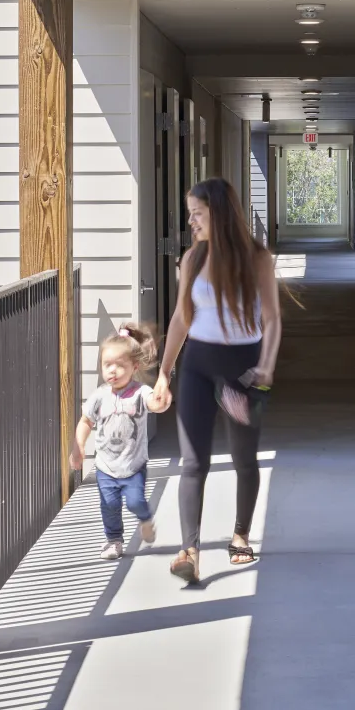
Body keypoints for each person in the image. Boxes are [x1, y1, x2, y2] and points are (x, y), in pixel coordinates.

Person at [154, 177, 282, 584]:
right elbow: (180, 319)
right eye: (190, 213)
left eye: (197, 213)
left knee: (245, 458)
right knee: (193, 461)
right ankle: (188, 549)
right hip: (197, 363)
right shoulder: (191, 260)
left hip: (245, 366)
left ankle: (241, 533)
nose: (191, 221)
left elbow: (273, 319)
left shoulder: (258, 259)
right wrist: (164, 373)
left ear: (219, 213)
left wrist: (266, 366)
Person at [71, 321, 167, 560]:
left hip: (133, 465)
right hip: (105, 466)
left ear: (134, 367)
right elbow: (85, 421)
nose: (112, 370)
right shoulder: (99, 396)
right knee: (109, 506)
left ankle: (145, 518)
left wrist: (162, 399)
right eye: (107, 365)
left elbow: (154, 403)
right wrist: (79, 447)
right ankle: (114, 541)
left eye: (119, 366)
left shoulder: (139, 392)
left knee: (135, 502)